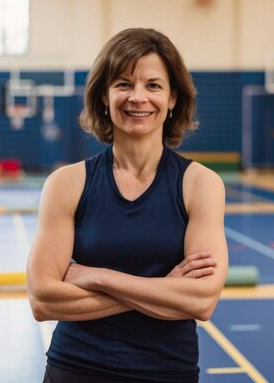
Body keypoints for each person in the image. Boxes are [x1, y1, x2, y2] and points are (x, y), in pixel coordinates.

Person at [27, 28, 228, 383]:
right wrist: (165, 288)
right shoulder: (66, 184)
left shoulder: (201, 185)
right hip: (77, 368)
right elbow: (43, 300)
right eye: (123, 84)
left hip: (167, 371)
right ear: (104, 97)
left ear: (172, 100)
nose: (138, 97)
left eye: (153, 85)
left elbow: (201, 302)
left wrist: (98, 276)